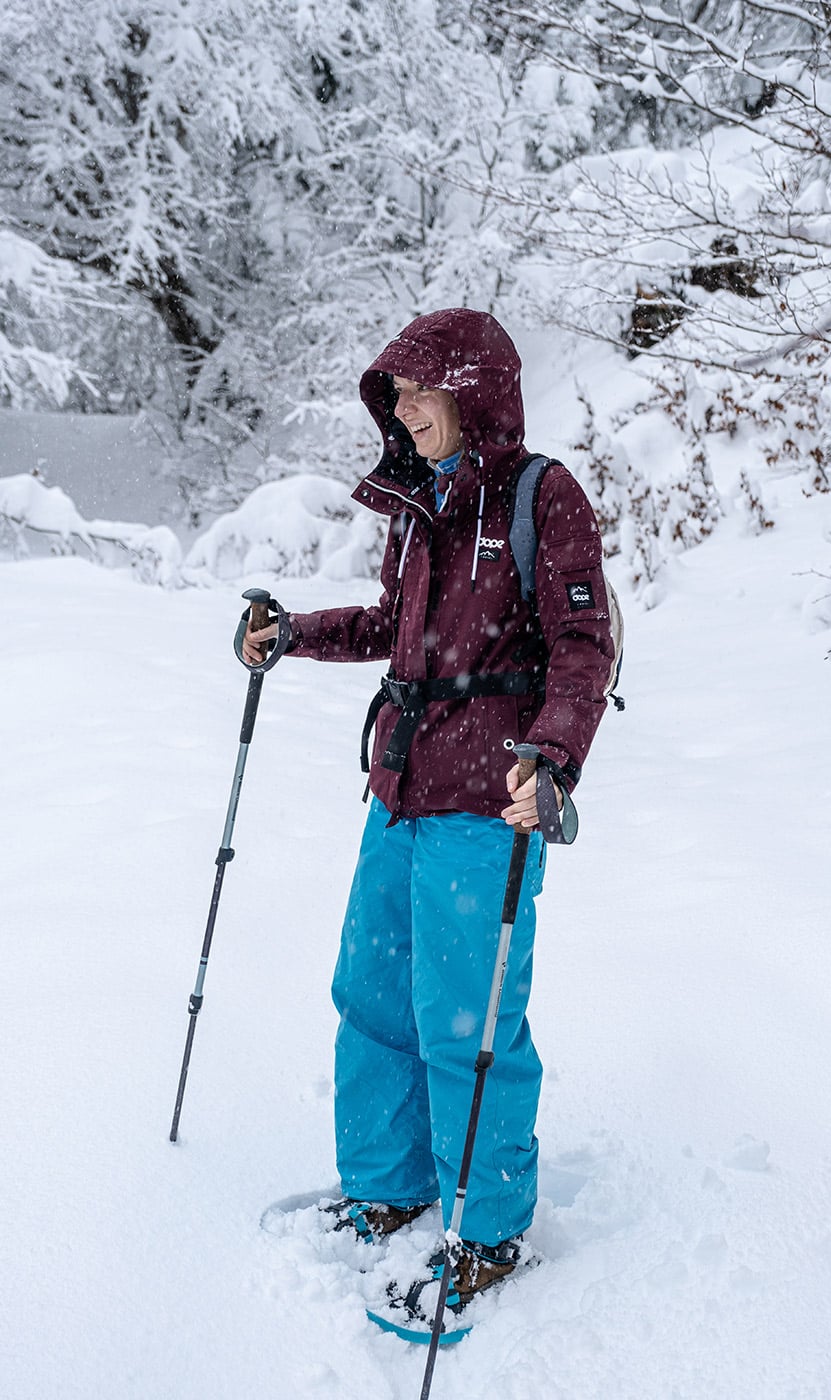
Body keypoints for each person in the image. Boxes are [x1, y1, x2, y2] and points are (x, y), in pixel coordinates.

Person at [244, 308, 613, 1313]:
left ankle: (488, 1229)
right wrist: (295, 634)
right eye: (394, 398)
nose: (402, 413)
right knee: (369, 994)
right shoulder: (417, 506)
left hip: (488, 801)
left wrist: (555, 755)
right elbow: (387, 627)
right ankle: (388, 1184)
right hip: (400, 789)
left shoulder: (543, 497)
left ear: (470, 392)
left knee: (469, 1023)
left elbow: (584, 645)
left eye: (417, 393)